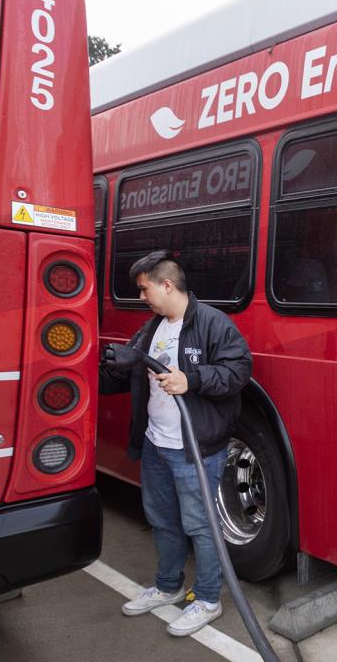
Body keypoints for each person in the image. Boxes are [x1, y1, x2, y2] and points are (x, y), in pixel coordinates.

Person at [100, 250, 253, 636]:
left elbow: (238, 371)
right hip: (156, 444)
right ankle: (168, 587)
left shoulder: (213, 323)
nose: (142, 297)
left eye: (144, 289)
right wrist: (83, 374)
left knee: (201, 525)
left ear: (166, 285)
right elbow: (130, 373)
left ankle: (207, 599)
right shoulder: (150, 329)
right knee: (162, 520)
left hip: (195, 448)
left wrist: (192, 379)